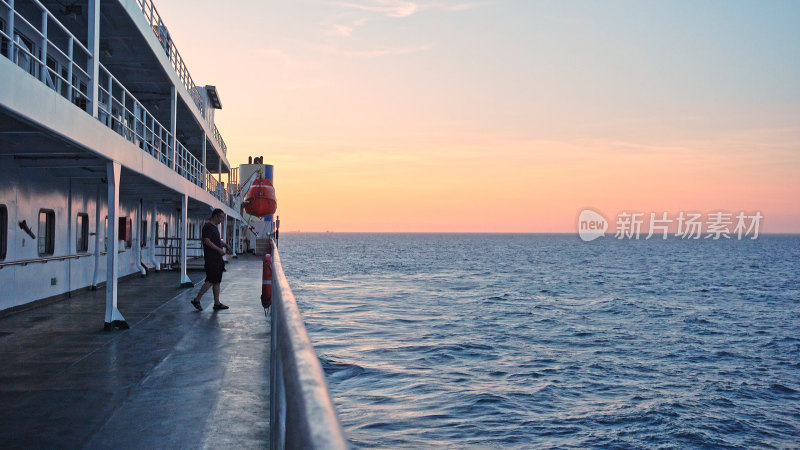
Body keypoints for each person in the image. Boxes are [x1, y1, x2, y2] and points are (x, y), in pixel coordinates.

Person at [191, 209, 229, 311]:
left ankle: (217, 303)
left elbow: (215, 241)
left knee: (217, 281)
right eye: (221, 217)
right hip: (211, 259)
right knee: (211, 280)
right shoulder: (208, 227)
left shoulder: (215, 228)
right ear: (216, 216)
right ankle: (197, 299)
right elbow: (207, 241)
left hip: (217, 259)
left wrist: (224, 244)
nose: (222, 219)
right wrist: (219, 250)